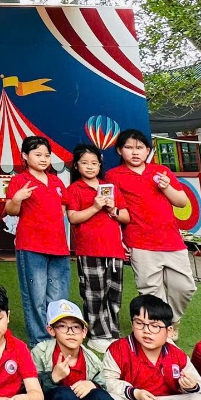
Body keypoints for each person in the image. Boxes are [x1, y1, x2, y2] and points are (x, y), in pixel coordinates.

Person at [103, 130, 195, 322]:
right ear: (119, 150)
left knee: (185, 288)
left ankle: (172, 320)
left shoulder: (161, 171)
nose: (135, 152)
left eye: (140, 147)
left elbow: (182, 202)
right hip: (139, 241)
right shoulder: (113, 176)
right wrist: (118, 239)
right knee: (150, 292)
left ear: (148, 150)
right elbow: (112, 211)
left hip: (172, 241)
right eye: (129, 147)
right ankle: (161, 326)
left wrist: (166, 187)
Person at [3, 136, 69, 346]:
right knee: (36, 296)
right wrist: (17, 198)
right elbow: (11, 210)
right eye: (38, 154)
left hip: (58, 246)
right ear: (24, 155)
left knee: (58, 296)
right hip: (31, 246)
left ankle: (58, 338)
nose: (43, 159)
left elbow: (63, 209)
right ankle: (40, 341)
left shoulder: (56, 181)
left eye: (47, 155)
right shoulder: (19, 180)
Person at [63, 144, 129, 351]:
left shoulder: (109, 187)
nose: (90, 167)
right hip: (89, 250)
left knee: (114, 293)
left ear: (100, 164)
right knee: (94, 293)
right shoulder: (74, 189)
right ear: (76, 165)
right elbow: (73, 218)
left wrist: (112, 209)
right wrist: (95, 207)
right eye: (85, 163)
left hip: (114, 250)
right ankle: (96, 334)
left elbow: (126, 216)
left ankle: (112, 332)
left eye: (94, 163)